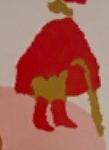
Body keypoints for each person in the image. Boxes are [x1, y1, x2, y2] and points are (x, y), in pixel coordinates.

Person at [14, 0, 104, 135]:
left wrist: (89, 69)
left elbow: (82, 51)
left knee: (59, 82)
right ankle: (41, 116)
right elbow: (41, 52)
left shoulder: (72, 29)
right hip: (43, 71)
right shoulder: (54, 28)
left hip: (60, 71)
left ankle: (59, 115)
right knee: (48, 84)